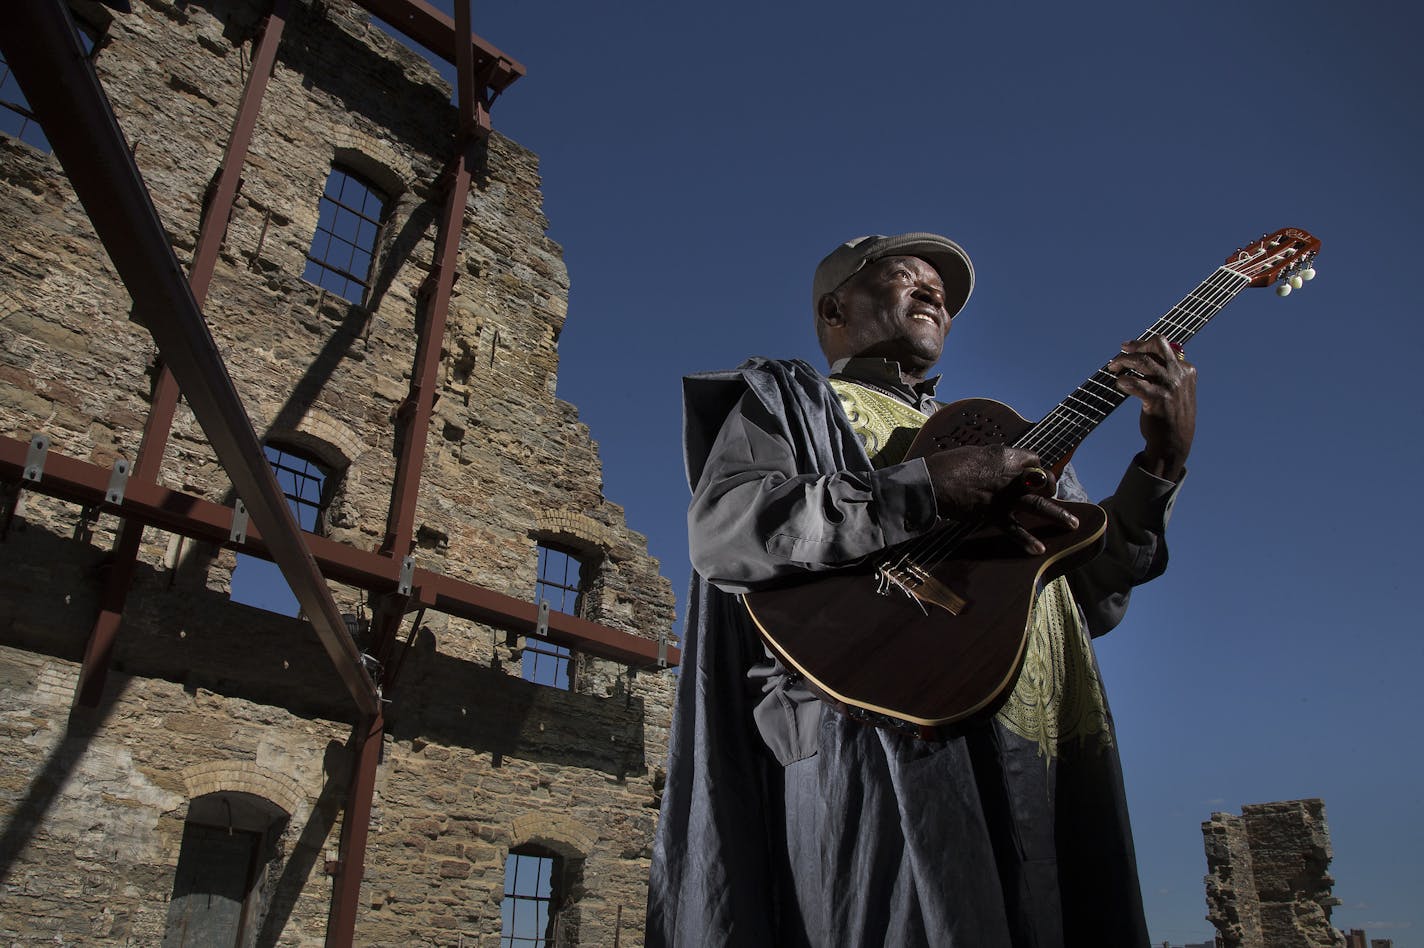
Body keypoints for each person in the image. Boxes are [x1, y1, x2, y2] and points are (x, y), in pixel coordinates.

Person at [646, 232, 1196, 947]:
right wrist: (930, 487)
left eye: (944, 290)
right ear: (834, 309)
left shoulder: (1013, 444)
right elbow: (726, 532)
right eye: (908, 277)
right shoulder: (797, 403)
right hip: (881, 739)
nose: (935, 292)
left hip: (1044, 749)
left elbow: (1093, 598)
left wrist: (1160, 464)